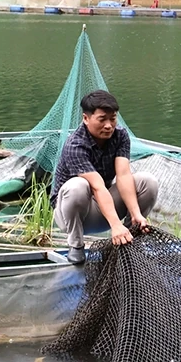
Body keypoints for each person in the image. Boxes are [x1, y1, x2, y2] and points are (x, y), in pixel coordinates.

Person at [51, 90, 159, 265]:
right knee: (78, 185)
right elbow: (97, 186)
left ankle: (130, 237)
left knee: (148, 181)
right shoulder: (75, 145)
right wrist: (115, 224)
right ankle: (76, 245)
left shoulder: (120, 136)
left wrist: (135, 213)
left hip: (104, 207)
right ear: (86, 118)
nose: (109, 125)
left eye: (113, 119)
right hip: (75, 215)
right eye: (102, 119)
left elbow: (123, 175)